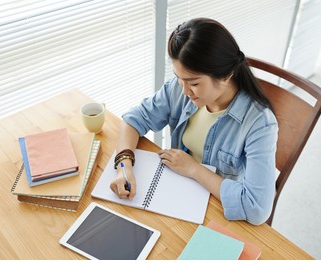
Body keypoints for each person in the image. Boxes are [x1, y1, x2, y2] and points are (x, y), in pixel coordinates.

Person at [110, 18, 278, 225]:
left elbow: (256, 209)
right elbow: (134, 119)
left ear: (226, 75)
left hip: (219, 211)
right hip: (176, 197)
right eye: (179, 78)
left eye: (194, 83)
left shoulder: (259, 124)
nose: (184, 90)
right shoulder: (179, 89)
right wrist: (124, 167)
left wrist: (194, 170)